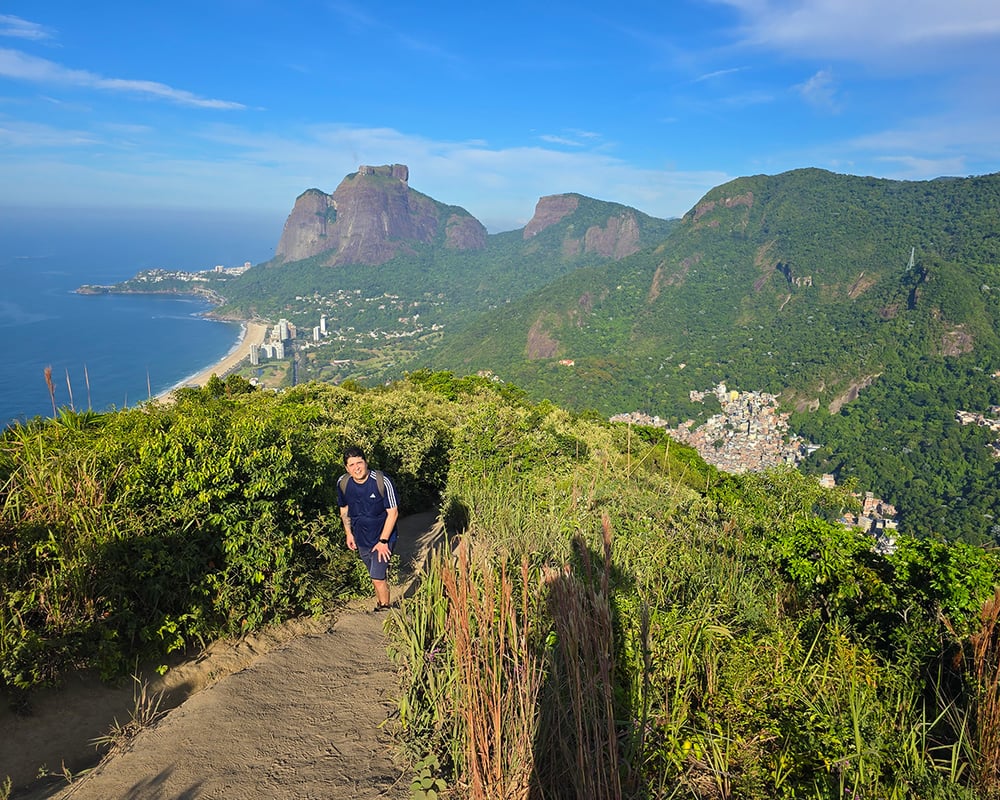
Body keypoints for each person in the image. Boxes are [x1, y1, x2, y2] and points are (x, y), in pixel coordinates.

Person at [337, 446, 399, 610]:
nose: (357, 467)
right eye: (352, 465)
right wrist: (348, 534)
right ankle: (380, 605)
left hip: (383, 538)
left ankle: (384, 611)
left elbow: (393, 512)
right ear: (346, 468)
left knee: (378, 577)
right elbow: (344, 509)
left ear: (366, 462)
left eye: (359, 462)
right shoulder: (343, 483)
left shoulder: (382, 481)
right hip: (361, 538)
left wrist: (383, 541)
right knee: (375, 577)